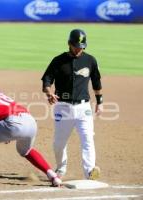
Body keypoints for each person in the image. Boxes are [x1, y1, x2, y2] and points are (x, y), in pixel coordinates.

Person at [41, 29, 103, 180]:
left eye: (81, 46)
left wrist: (100, 102)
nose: (78, 49)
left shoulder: (90, 60)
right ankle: (61, 169)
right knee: (59, 143)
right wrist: (49, 93)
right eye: (76, 46)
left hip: (84, 108)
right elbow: (46, 80)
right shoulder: (58, 60)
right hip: (63, 107)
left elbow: (96, 82)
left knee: (87, 138)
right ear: (69, 44)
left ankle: (89, 172)